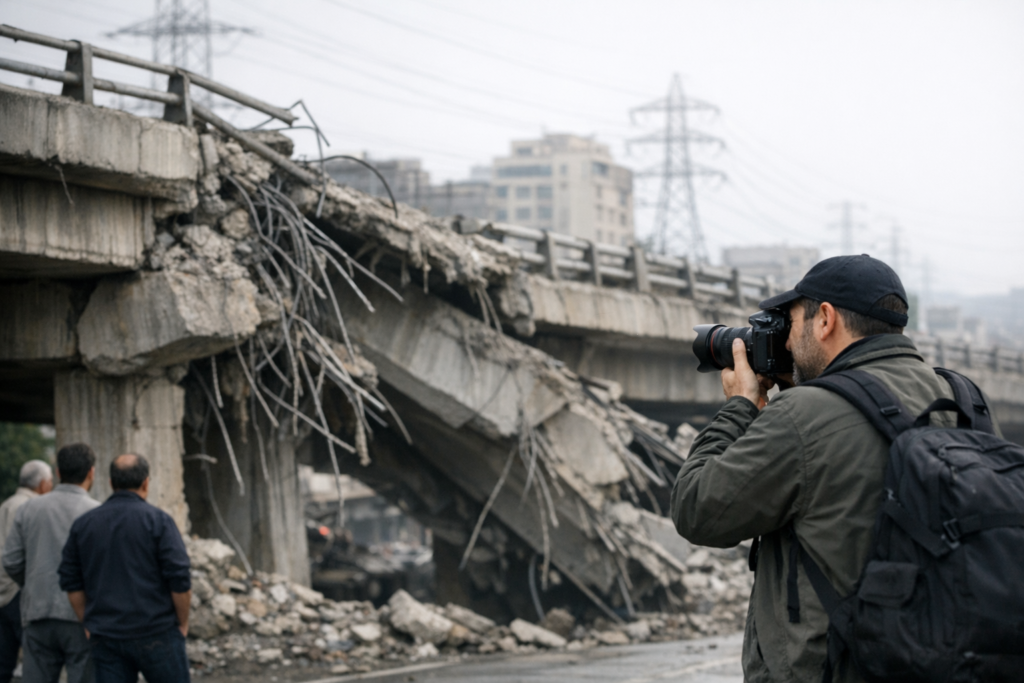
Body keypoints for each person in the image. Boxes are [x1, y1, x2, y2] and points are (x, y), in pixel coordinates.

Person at [670, 254, 980, 683]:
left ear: (826, 320)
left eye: (791, 324)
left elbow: (696, 509)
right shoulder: (964, 400)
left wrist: (741, 407)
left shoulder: (805, 414)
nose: (789, 344)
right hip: (949, 664)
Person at [59, 454, 192, 683]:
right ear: (146, 483)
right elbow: (179, 579)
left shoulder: (85, 525)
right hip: (157, 632)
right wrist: (183, 623)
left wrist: (89, 623)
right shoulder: (159, 521)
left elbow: (71, 582)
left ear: (111, 483)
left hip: (107, 637)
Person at [2, 445, 99, 683]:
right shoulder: (97, 513)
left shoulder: (28, 509)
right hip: (81, 616)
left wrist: (34, 580)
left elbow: (11, 560)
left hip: (37, 612)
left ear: (58, 472)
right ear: (91, 473)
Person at [0, 461, 54, 683]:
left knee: (3, 663)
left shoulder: (7, 504)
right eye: (50, 482)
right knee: (37, 664)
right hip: (17, 591)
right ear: (42, 485)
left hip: (3, 591)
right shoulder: (30, 508)